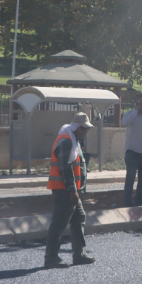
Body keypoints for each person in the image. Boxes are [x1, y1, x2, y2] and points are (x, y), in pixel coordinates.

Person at [44, 112, 97, 268]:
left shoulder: (74, 141)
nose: (86, 131)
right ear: (76, 127)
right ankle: (51, 257)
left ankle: (79, 254)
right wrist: (73, 191)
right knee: (59, 223)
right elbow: (65, 169)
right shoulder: (66, 142)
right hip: (64, 191)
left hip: (70, 190)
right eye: (84, 128)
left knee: (78, 217)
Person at [121, 93, 142, 206]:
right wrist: (135, 110)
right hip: (133, 152)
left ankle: (139, 202)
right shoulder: (130, 114)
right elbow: (124, 123)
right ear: (136, 103)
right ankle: (128, 203)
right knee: (130, 179)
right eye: (141, 103)